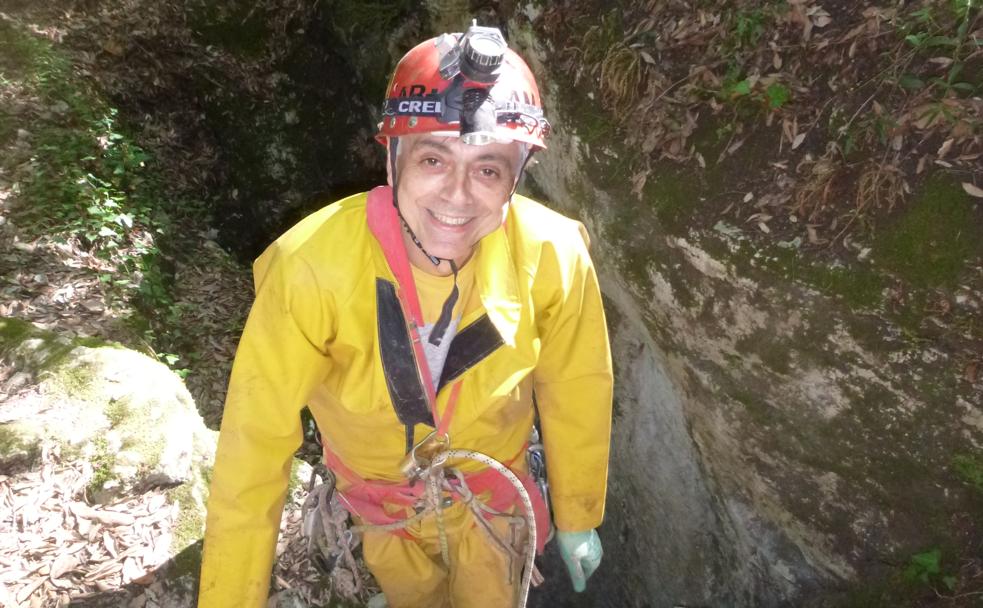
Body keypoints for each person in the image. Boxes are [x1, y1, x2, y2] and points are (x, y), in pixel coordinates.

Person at [197, 23, 613, 608]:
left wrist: (577, 513)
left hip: (491, 511)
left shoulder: (552, 255)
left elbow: (577, 385)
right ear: (393, 162)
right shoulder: (311, 269)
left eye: (488, 169)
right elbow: (253, 449)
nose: (458, 195)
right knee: (411, 593)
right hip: (385, 511)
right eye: (434, 158)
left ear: (514, 183)